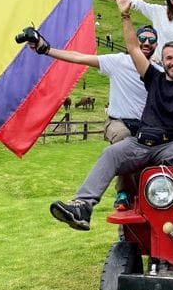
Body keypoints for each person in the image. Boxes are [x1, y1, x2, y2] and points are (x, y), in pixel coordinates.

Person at [47, 0, 173, 247]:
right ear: (161, 61)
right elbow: (132, 47)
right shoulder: (153, 77)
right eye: (169, 58)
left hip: (169, 146)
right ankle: (83, 206)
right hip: (140, 143)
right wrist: (126, 15)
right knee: (111, 153)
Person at [28, 22, 160, 212]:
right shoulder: (118, 61)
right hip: (118, 121)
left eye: (152, 39)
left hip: (146, 127)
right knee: (124, 141)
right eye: (142, 38)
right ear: (134, 41)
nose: (146, 42)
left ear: (156, 44)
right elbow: (79, 57)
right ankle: (122, 191)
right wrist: (46, 49)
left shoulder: (159, 71)